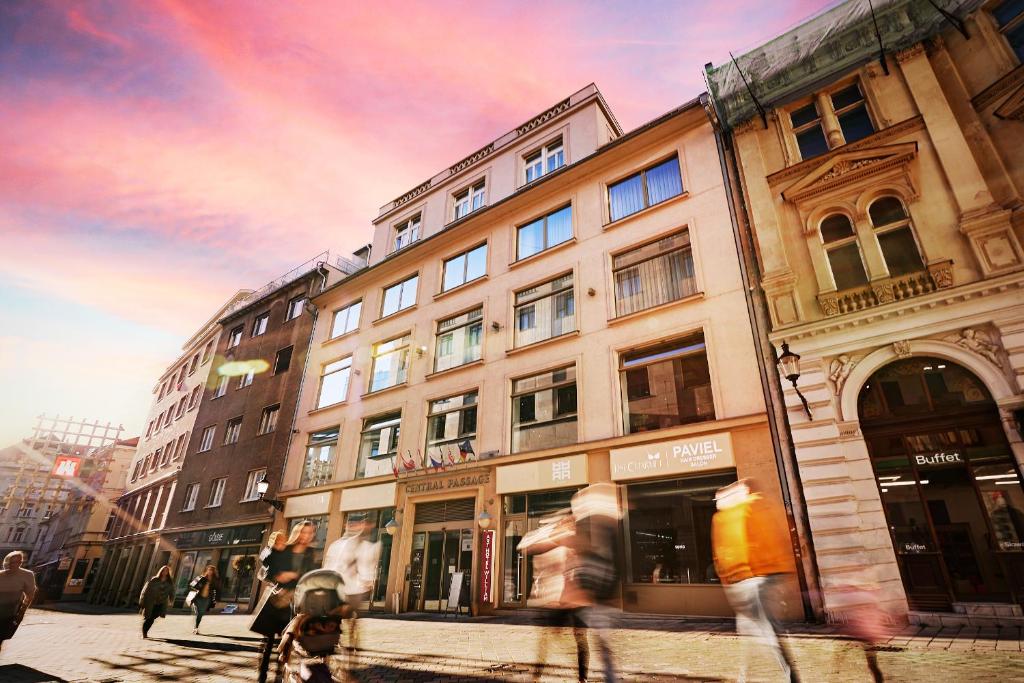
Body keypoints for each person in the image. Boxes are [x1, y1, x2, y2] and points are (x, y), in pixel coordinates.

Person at [712, 479, 799, 683]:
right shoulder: (756, 506)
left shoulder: (729, 515)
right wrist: (784, 571)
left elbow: (722, 554)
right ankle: (749, 677)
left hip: (749, 581)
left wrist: (728, 580)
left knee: (761, 632)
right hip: (761, 578)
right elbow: (779, 538)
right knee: (756, 632)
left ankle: (786, 676)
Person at [519, 512, 590, 683]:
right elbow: (526, 547)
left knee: (578, 638)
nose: (566, 526)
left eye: (568, 523)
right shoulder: (559, 541)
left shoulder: (578, 542)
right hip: (562, 600)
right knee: (550, 637)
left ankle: (582, 678)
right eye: (564, 523)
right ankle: (537, 675)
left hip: (577, 600)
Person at [251, 520, 317, 683]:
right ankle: (262, 675)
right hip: (276, 600)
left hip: (294, 603)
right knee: (268, 642)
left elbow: (310, 577)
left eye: (310, 533)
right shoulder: (284, 548)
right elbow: (264, 568)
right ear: (297, 532)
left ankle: (279, 677)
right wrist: (279, 576)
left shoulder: (310, 553)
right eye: (303, 532)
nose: (306, 536)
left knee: (286, 642)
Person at [323, 514, 381, 657]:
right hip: (337, 589)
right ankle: (333, 646)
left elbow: (368, 567)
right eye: (354, 525)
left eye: (362, 524)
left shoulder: (367, 546)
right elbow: (330, 567)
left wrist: (368, 580)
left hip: (354, 590)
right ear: (347, 526)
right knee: (337, 620)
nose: (359, 527)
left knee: (351, 620)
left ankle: (349, 647)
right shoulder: (337, 545)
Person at [0, 551, 36, 652]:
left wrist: (22, 612)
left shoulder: (27, 575)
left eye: (17, 562)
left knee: (0, 637)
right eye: (10, 562)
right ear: (5, 562)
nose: (13, 565)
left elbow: (30, 595)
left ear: (21, 563)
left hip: (9, 613)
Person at [139, 565, 174, 638]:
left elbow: (172, 592)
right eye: (164, 570)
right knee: (149, 618)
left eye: (166, 571)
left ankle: (145, 630)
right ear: (161, 571)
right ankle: (144, 633)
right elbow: (145, 590)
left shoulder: (169, 582)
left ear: (168, 572)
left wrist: (171, 599)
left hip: (161, 603)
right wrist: (142, 600)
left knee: (153, 617)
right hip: (151, 602)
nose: (165, 572)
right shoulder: (154, 580)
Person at [188, 564, 219, 635]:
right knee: (197, 612)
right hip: (198, 597)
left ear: (214, 572)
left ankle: (196, 628)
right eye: (209, 570)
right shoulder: (201, 577)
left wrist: (215, 599)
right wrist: (198, 586)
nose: (210, 571)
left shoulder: (215, 580)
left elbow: (217, 590)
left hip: (207, 599)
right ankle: (195, 627)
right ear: (207, 570)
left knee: (200, 614)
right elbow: (191, 585)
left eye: (212, 570)